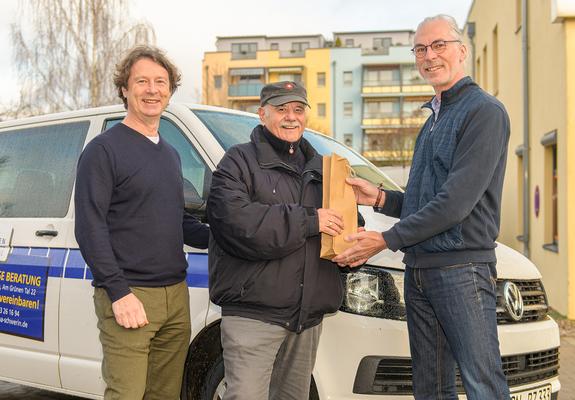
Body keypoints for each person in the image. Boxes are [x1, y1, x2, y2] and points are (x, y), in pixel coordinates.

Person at [333, 15, 511, 400]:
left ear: (462, 51)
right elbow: (422, 203)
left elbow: (454, 204)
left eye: (439, 45)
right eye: (420, 49)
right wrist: (380, 197)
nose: (429, 56)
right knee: (429, 388)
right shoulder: (431, 119)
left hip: (461, 271)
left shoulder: (484, 113)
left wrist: (384, 240)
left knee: (484, 386)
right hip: (419, 271)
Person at [74, 45, 209, 400]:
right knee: (127, 394)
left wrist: (229, 235)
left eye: (161, 82)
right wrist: (118, 292)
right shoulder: (103, 150)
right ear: (124, 88)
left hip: (175, 297)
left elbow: (177, 220)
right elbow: (89, 227)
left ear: (170, 90)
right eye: (143, 81)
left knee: (164, 395)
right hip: (130, 294)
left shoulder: (171, 154)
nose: (153, 90)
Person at [207, 81, 347, 400]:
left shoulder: (323, 169)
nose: (291, 117)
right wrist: (311, 221)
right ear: (262, 114)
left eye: (298, 109)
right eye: (281, 109)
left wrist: (353, 248)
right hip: (253, 316)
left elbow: (347, 221)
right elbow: (238, 224)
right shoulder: (237, 162)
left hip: (306, 320)